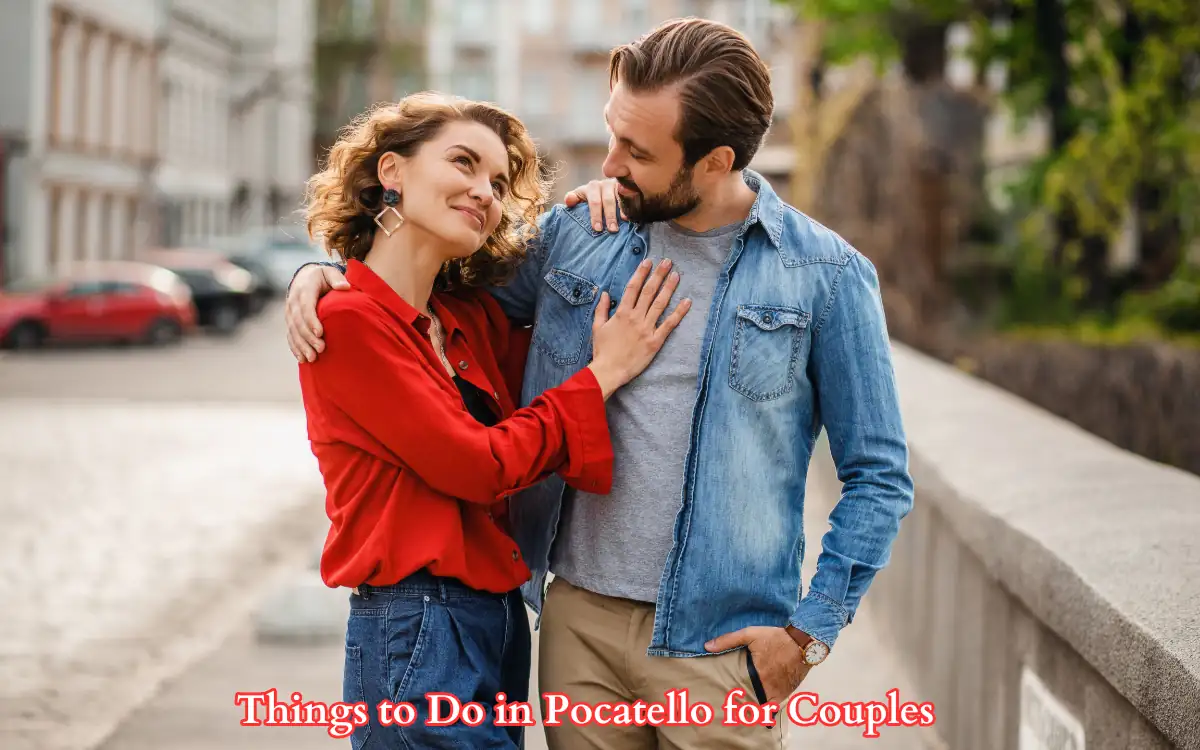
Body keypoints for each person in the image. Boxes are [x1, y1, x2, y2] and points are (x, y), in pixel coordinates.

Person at [288, 18, 914, 750]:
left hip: (717, 644)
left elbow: (877, 477)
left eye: (637, 151)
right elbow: (435, 298)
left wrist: (808, 637)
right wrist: (324, 272)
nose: (610, 161)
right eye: (613, 133)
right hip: (574, 626)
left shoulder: (825, 276)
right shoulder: (580, 233)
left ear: (714, 161)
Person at [294, 92, 690, 749]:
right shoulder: (347, 324)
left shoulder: (468, 321)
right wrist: (604, 372)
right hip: (412, 623)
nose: (485, 191)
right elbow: (478, 466)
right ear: (391, 172)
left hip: (498, 619)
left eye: (499, 181)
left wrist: (604, 201)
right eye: (463, 163)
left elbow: (560, 331)